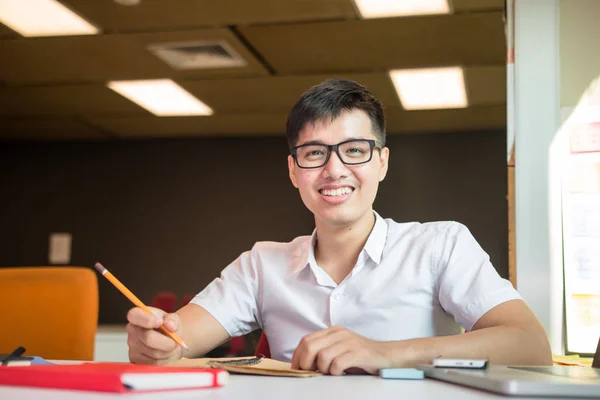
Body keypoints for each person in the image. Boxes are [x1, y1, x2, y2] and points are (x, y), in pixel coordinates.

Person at [126, 79, 552, 375]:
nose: (335, 170)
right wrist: (158, 344)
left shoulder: (440, 245)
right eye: (314, 154)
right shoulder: (261, 264)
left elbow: (531, 345)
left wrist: (384, 353)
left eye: (354, 150)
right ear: (294, 171)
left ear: (382, 162)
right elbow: (176, 341)